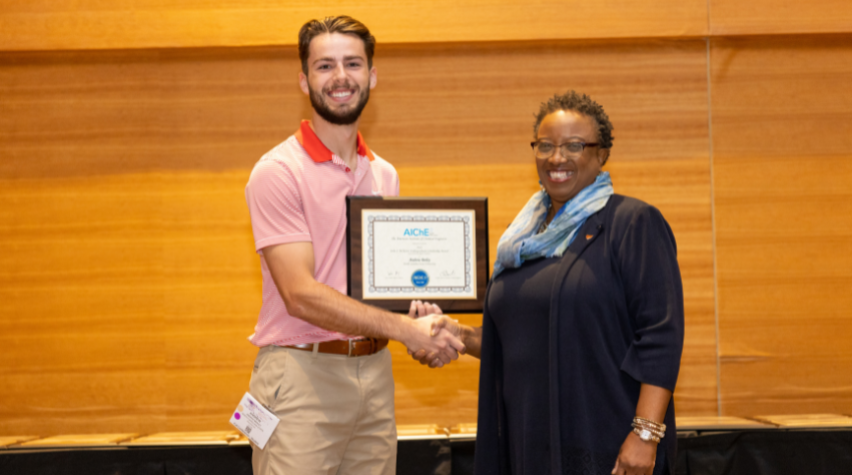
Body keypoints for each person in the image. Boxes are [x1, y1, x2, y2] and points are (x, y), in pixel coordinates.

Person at [417, 91, 684, 475]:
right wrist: (454, 334)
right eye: (545, 145)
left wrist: (645, 435)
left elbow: (661, 337)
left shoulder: (631, 223)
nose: (557, 158)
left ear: (602, 153)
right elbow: (520, 339)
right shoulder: (520, 239)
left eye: (575, 145)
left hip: (602, 439)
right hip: (528, 439)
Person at [244, 16, 464, 475]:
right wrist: (407, 331)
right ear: (304, 81)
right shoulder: (278, 172)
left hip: (375, 373)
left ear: (372, 75)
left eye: (352, 64)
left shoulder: (384, 173)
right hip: (301, 376)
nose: (340, 77)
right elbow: (300, 294)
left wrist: (419, 321)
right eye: (325, 66)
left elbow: (383, 287)